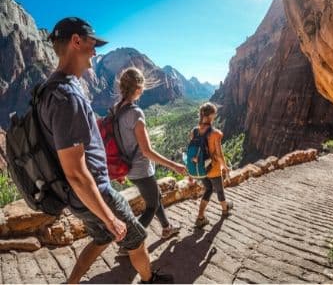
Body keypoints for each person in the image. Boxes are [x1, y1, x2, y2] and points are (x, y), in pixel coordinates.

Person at [39, 17, 171, 284]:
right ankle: (149, 280)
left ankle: (71, 282)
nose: (95, 51)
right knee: (136, 236)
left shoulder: (46, 90)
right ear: (76, 41)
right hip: (96, 191)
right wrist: (110, 217)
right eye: (92, 43)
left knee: (101, 238)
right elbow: (76, 172)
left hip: (76, 194)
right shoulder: (68, 97)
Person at [115, 67, 186, 255]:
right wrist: (174, 165)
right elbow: (146, 151)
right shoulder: (136, 113)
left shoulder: (117, 109)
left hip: (129, 167)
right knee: (151, 206)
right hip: (141, 169)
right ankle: (128, 243)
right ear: (138, 88)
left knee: (156, 198)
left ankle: (166, 228)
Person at [194, 102, 233, 228]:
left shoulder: (194, 131)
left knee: (209, 189)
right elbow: (219, 155)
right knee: (220, 190)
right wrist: (226, 168)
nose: (215, 115)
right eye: (214, 113)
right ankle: (225, 210)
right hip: (213, 169)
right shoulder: (216, 133)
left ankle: (200, 217)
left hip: (200, 168)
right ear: (211, 115)